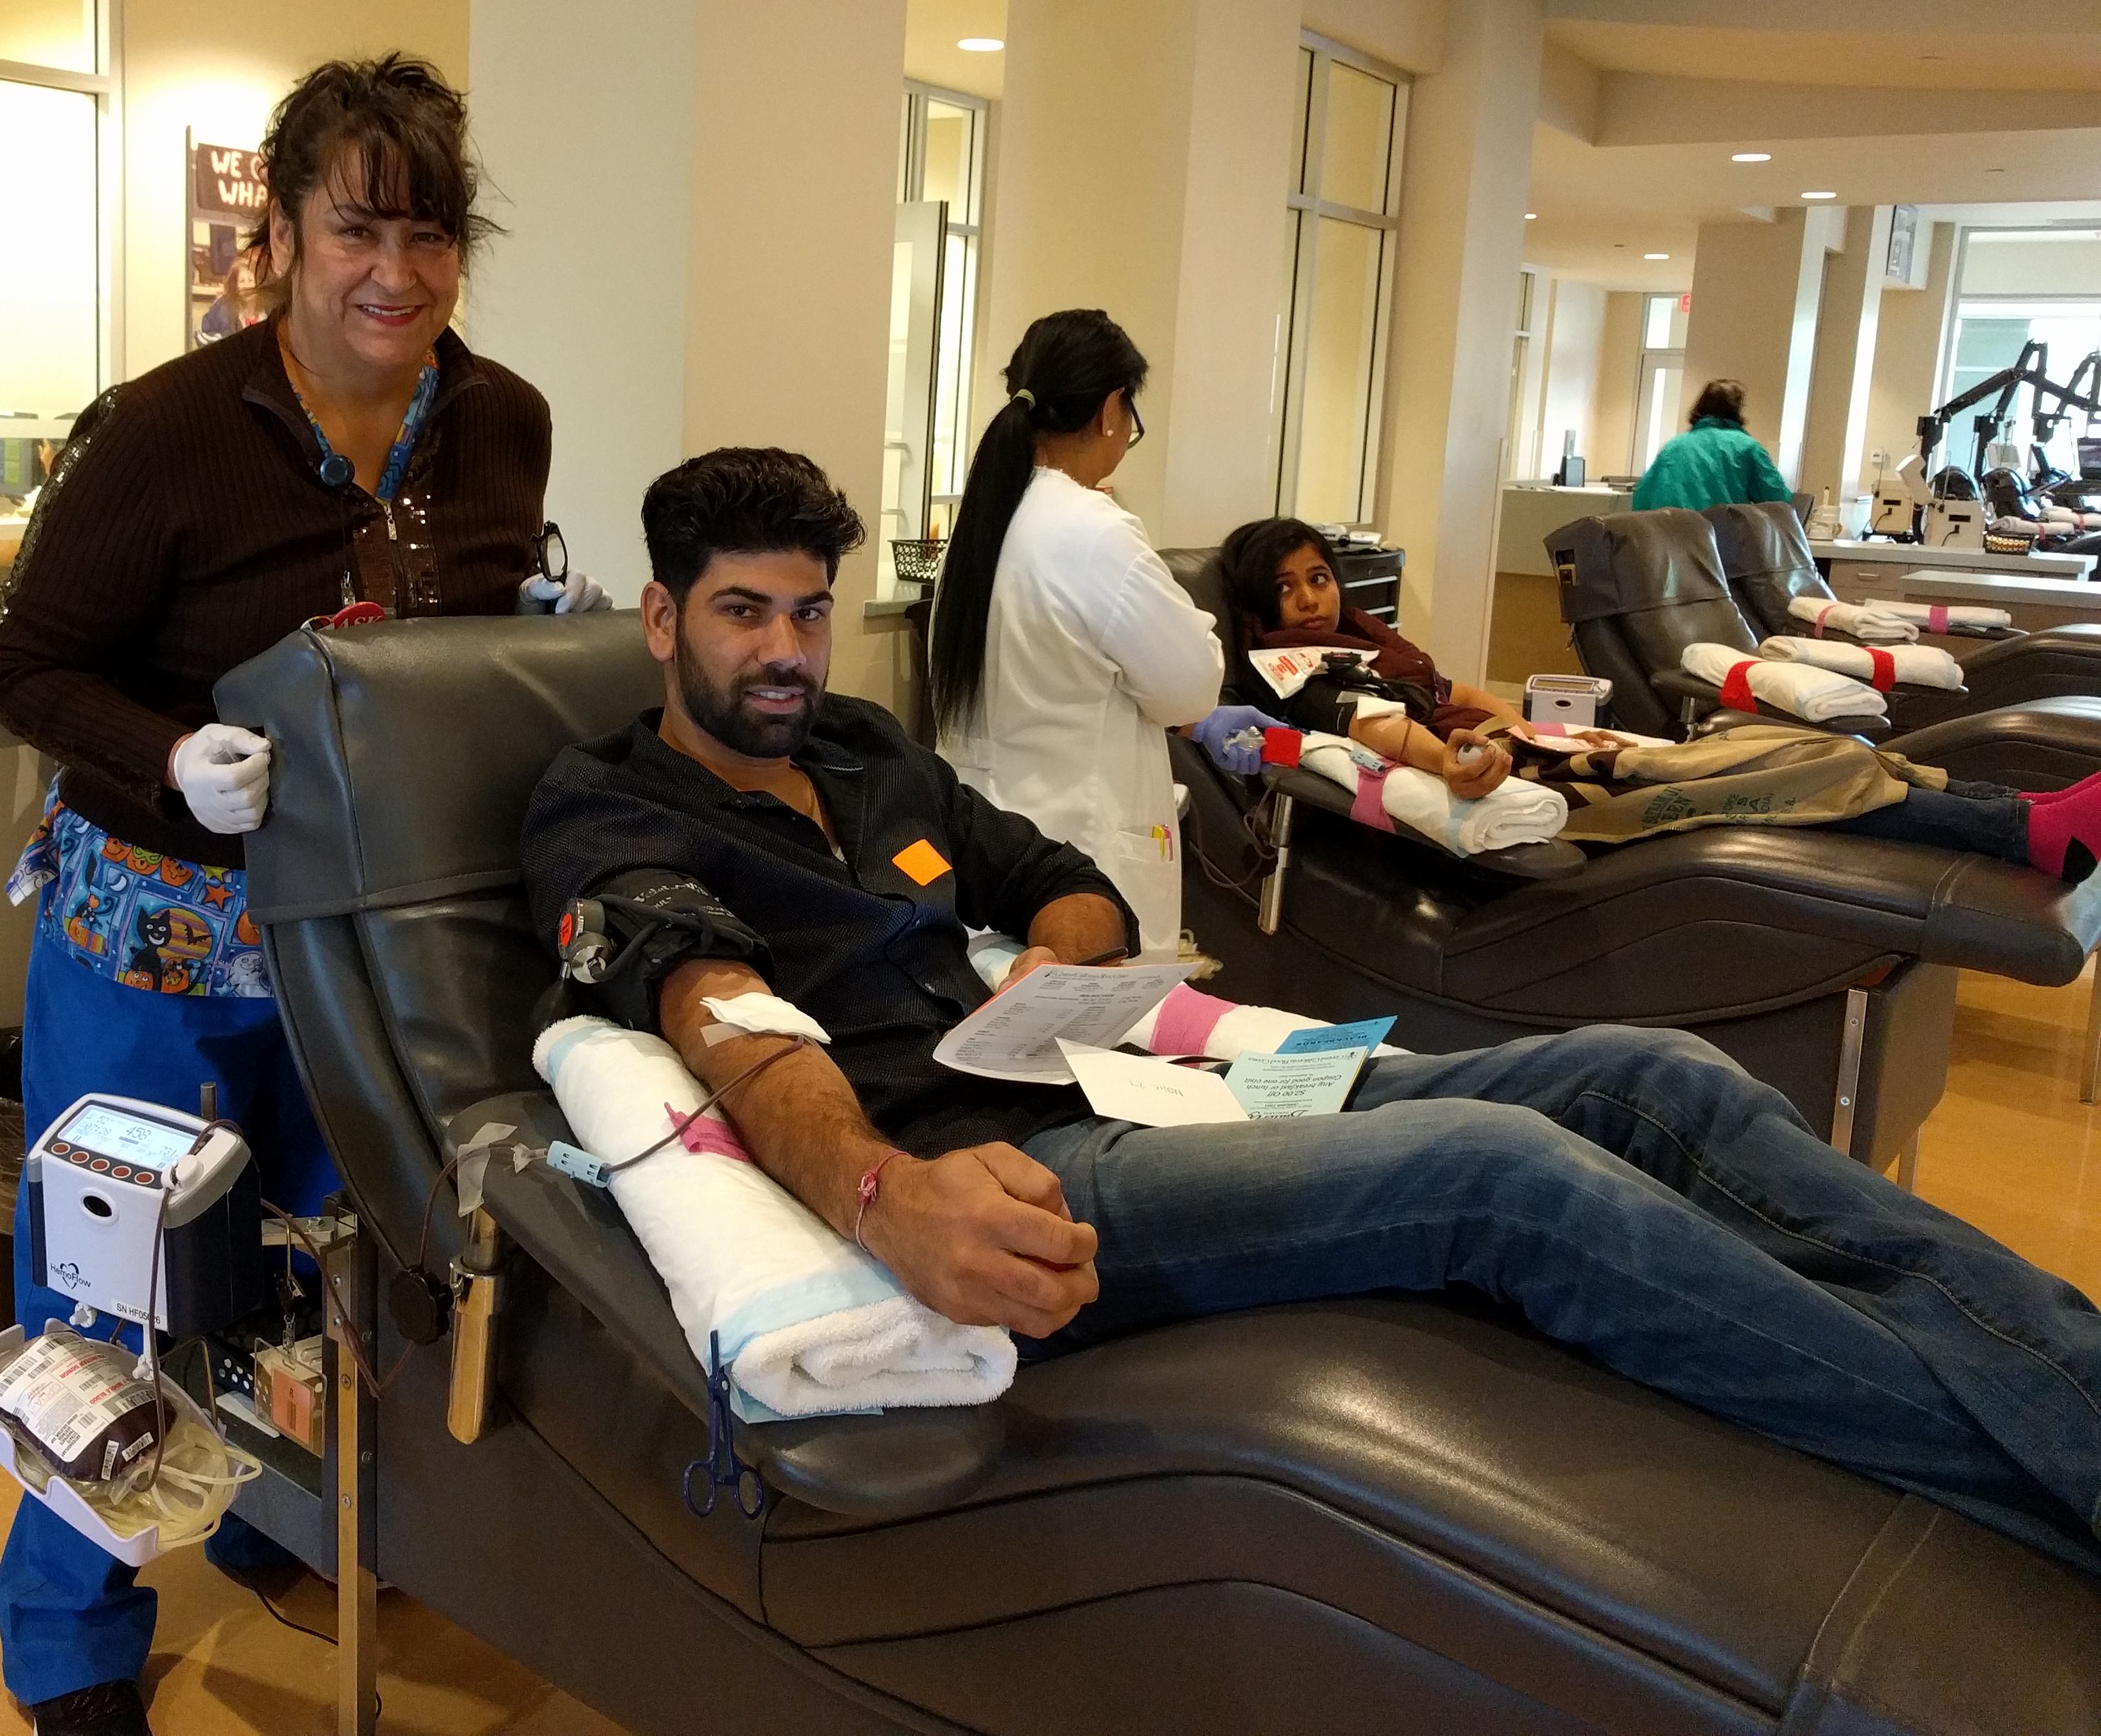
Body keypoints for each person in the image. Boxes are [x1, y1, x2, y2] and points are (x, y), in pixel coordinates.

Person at [523, 445, 2101, 1577]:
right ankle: (2067, 1469)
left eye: (808, 613)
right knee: (1508, 1184)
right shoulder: (610, 810)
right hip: (1017, 1183)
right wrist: (886, 1196)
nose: (786, 652)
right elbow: (724, 1018)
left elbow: (1062, 876)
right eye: (744, 614)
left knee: (1651, 1079)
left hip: (1127, 1092)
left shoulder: (866, 752)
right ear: (663, 621)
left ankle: (2068, 1372)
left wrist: (1062, 961)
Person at [0, 53, 604, 1736]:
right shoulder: (167, 431)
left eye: (432, 233)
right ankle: (70, 1637)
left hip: (370, 945)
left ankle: (276, 1514)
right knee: (115, 1293)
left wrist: (535, 644)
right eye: (357, 231)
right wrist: (169, 754)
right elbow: (23, 666)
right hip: (158, 941)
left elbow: (465, 645)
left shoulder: (504, 420)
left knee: (330, 1278)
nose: (397, 272)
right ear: (282, 238)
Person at [1213, 512, 2101, 870]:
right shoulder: (1298, 668)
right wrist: (1463, 755)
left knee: (1796, 746)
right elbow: (1384, 733)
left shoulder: (1365, 637)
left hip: (1545, 755)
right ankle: (2023, 835)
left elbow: (1453, 690)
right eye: (1288, 589)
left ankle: (2016, 808)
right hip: (1537, 790)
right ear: (1261, 608)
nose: (1311, 598)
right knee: (1799, 781)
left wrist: (1529, 723)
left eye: (1318, 577)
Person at [926, 309, 1261, 961]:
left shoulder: (983, 524)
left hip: (983, 853)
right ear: (1112, 410)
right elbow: (1191, 686)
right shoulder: (1094, 528)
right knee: (1086, 1020)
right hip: (1077, 867)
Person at [1630, 378, 1794, 510]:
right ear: (1737, 410)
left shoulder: (1673, 447)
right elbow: (1778, 502)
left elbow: (1642, 498)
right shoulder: (1747, 448)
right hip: (1721, 538)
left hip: (1672, 538)